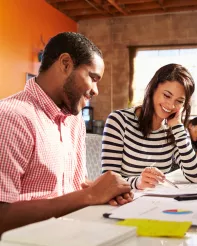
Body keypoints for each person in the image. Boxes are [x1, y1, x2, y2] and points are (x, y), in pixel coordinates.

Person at [0, 32, 132, 236]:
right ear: (65, 64)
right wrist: (89, 196)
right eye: (93, 77)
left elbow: (73, 188)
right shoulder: (11, 116)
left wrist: (101, 190)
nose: (96, 90)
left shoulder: (74, 121)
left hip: (71, 232)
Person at [101, 64, 197, 190]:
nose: (171, 105)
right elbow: (108, 180)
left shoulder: (176, 129)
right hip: (125, 202)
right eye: (166, 95)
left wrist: (177, 127)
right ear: (153, 89)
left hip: (158, 202)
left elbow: (195, 176)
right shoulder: (119, 120)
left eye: (179, 101)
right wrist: (137, 182)